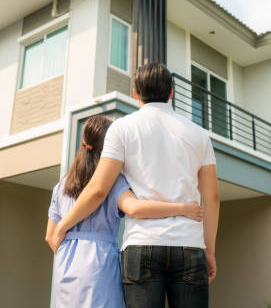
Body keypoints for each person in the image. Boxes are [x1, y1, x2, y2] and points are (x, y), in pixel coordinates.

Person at [51, 63, 220, 308]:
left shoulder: (122, 128)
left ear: (135, 92)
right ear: (171, 92)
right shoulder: (200, 135)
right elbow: (212, 197)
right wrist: (209, 250)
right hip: (189, 244)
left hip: (142, 246)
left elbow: (98, 188)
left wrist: (64, 225)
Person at [45, 114, 204, 308]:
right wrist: (182, 208)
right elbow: (135, 208)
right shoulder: (112, 182)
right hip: (99, 264)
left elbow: (50, 236)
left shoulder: (61, 185)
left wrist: (70, 252)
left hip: (66, 264)